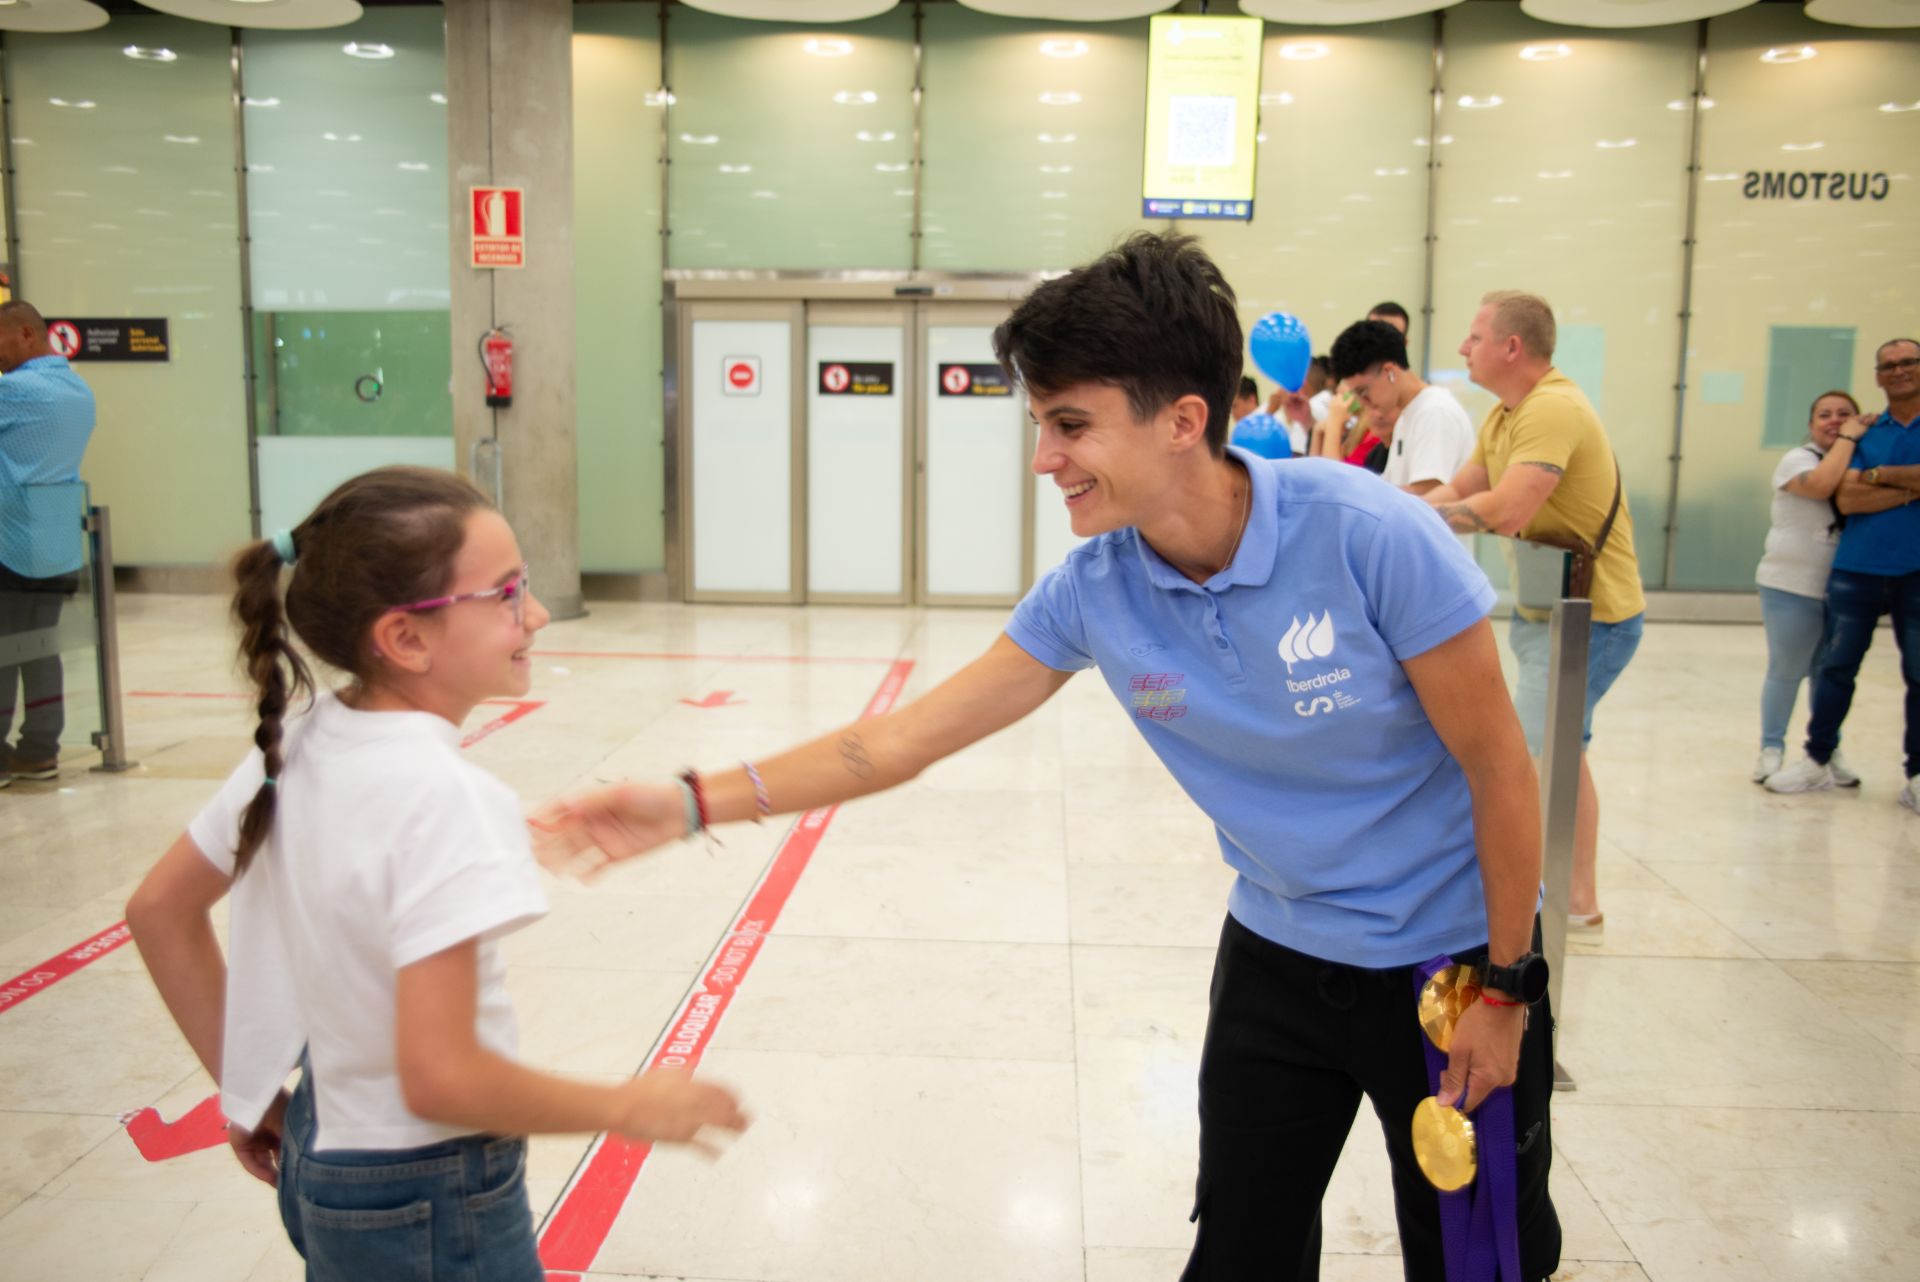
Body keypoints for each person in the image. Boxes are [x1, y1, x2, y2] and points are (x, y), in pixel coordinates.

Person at [536, 234, 1563, 1281]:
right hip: (1277, 957)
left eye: (1071, 425)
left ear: (1183, 420)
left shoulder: (1371, 537)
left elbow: (1499, 768)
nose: (1043, 458)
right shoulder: (1095, 589)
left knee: (1479, 1259)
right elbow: (892, 742)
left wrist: (1503, 990)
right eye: (1039, 425)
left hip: (1447, 962)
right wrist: (689, 802)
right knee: (1242, 1252)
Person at [124, 467, 747, 1281]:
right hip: (426, 1190)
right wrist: (627, 1106)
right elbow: (441, 1077)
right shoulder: (447, 797)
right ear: (405, 639)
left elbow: (158, 910)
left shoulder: (302, 739)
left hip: (324, 1145)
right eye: (506, 594)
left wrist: (252, 1096)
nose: (540, 613)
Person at [1423, 290, 1645, 935]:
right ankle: (1575, 897)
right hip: (1545, 610)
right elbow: (1463, 489)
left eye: (1474, 336)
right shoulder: (1505, 414)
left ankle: (1565, 899)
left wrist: (1398, 528)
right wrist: (1396, 514)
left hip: (1592, 617)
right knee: (1559, 749)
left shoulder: (1552, 408)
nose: (1464, 348)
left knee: (1541, 750)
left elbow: (1507, 509)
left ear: (1511, 347)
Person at [1766, 337, 1920, 811]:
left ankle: (1916, 773)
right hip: (1856, 570)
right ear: (1877, 376)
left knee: (1919, 674)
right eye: (1888, 365)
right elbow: (1846, 498)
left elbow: (1859, 488)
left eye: (1908, 362)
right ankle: (1817, 758)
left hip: (1916, 573)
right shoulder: (1863, 433)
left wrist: (1875, 476)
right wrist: (1907, 483)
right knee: (1834, 670)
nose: (1898, 371)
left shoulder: (1869, 442)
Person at [0, 300, 96, 788]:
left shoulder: (14, 390)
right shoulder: (78, 390)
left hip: (8, 543)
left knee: (3, 650)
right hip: (55, 543)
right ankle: (40, 750)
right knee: (39, 649)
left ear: (25, 335)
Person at [1751, 390, 1865, 784]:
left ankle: (1825, 751)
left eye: (1844, 414)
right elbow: (1820, 486)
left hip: (1843, 586)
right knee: (1787, 668)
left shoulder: (1861, 460)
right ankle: (1771, 748)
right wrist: (1850, 439)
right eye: (1824, 415)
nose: (1833, 421)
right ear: (1811, 423)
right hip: (1790, 585)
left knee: (1829, 673)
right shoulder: (1797, 461)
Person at [1329, 318, 1476, 497]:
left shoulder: (1435, 411)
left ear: (1389, 371)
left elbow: (1427, 494)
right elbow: (1393, 485)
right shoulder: (1408, 415)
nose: (1363, 402)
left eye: (1363, 391)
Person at [1229, 374, 1294, 460]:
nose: (1232, 412)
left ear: (1251, 400)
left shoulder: (1275, 418)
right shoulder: (1241, 429)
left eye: (1234, 406)